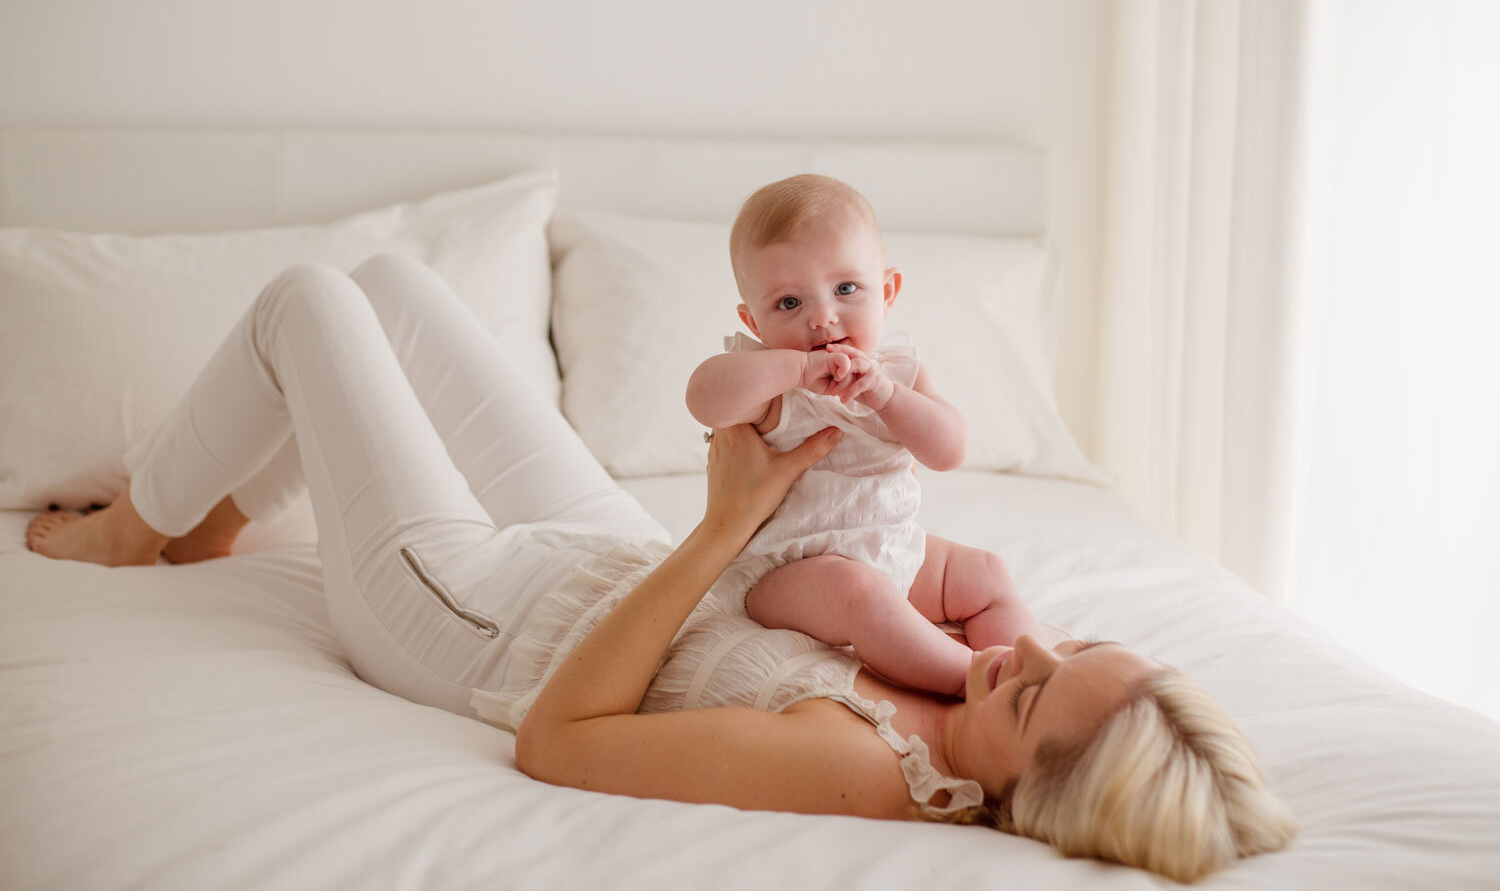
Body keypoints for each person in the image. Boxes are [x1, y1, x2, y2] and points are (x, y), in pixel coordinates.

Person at [26, 253, 1295, 882]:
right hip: (607, 561)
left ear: (1032, 802)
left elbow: (562, 741)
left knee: (308, 300)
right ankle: (210, 523)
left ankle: (135, 533)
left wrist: (721, 526)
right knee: (395, 284)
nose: (1023, 654)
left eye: (1032, 694)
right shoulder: (969, 681)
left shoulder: (864, 769)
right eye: (1066, 649)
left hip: (475, 624)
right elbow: (933, 582)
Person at [686, 173, 1043, 697]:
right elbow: (702, 399)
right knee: (859, 593)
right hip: (786, 572)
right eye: (789, 304)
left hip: (893, 547)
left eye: (846, 289)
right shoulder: (769, 380)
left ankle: (1028, 680)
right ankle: (974, 685)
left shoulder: (900, 372)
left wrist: (887, 398)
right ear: (754, 323)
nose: (823, 319)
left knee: (986, 574)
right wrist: (792, 372)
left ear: (888, 290)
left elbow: (949, 450)